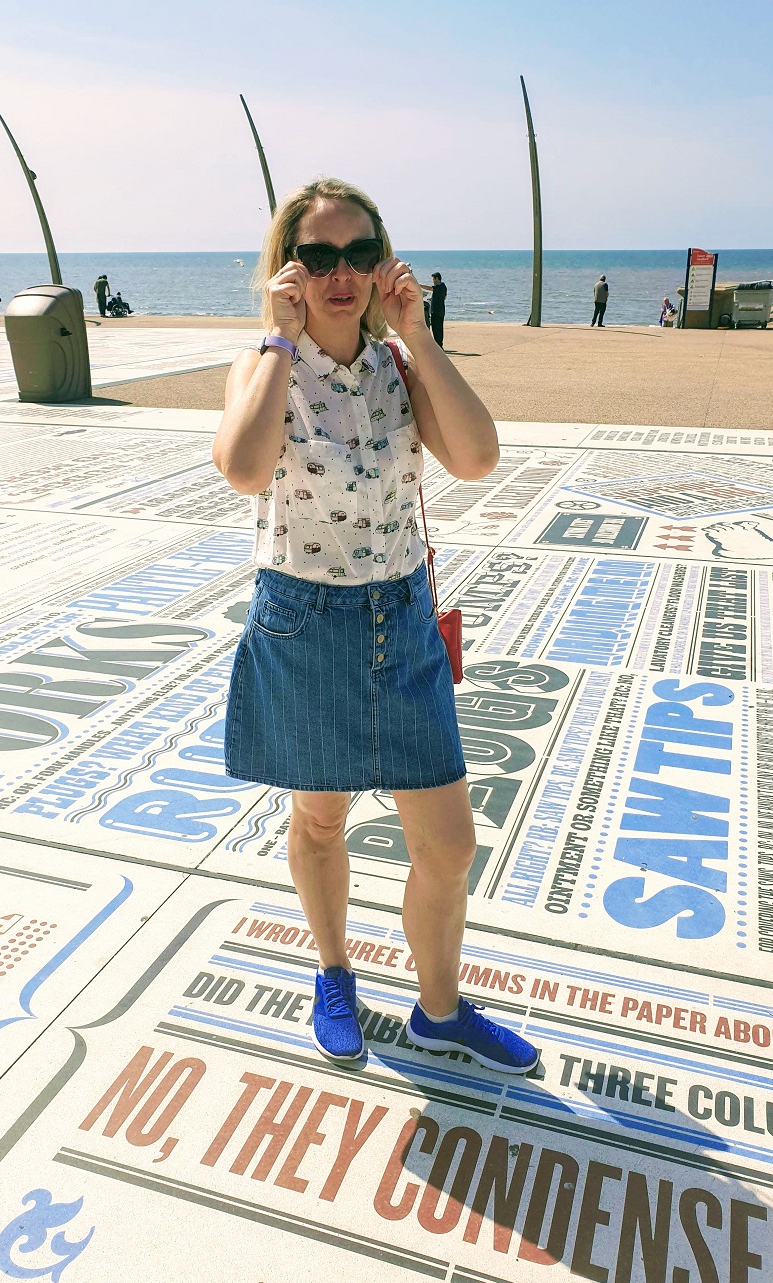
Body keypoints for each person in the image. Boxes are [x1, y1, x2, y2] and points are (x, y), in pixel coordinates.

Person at [213, 177, 538, 1075]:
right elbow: (243, 470)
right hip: (306, 619)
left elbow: (476, 457)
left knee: (449, 841)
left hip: (401, 616)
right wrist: (280, 340)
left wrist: (420, 336)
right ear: (288, 271)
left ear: (383, 264)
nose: (340, 272)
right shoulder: (260, 365)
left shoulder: (400, 368)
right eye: (317, 257)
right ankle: (334, 973)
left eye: (359, 253)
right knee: (320, 821)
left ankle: (438, 1009)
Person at [419, 271, 447, 347]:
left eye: (433, 279)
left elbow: (429, 288)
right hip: (441, 311)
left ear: (437, 278)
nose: (433, 281)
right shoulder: (444, 286)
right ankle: (440, 344)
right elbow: (444, 297)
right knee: (440, 328)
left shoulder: (439, 286)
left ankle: (438, 345)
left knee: (435, 329)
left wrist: (418, 285)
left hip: (436, 311)